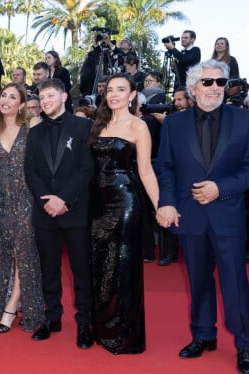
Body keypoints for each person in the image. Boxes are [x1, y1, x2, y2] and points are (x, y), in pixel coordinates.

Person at [155, 59, 249, 374]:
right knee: (198, 280)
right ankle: (203, 335)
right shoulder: (174, 124)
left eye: (221, 82)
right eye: (208, 82)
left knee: (235, 283)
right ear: (192, 88)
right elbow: (165, 167)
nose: (215, 87)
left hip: (227, 213)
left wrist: (221, 188)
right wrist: (167, 202)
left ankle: (246, 344)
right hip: (189, 215)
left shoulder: (245, 120)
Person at [89, 73, 160, 354]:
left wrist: (159, 206)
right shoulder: (98, 123)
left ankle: (124, 335)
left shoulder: (138, 126)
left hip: (125, 203)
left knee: (122, 268)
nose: (114, 94)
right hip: (97, 205)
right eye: (109, 90)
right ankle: (103, 329)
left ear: (132, 95)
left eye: (121, 90)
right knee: (100, 268)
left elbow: (145, 170)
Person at [24, 78, 94, 348]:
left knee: (80, 270)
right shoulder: (36, 131)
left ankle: (85, 323)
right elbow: (31, 171)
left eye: (50, 96)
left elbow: (86, 169)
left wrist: (63, 199)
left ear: (64, 97)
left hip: (74, 210)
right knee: (49, 269)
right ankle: (52, 317)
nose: (45, 102)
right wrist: (47, 202)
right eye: (42, 98)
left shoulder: (83, 126)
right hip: (45, 213)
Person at [0, 83, 45, 334]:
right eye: (3, 96)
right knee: (10, 254)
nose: (6, 100)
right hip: (4, 202)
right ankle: (21, 304)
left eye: (12, 97)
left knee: (25, 255)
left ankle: (13, 308)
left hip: (28, 200)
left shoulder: (32, 127)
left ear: (22, 104)